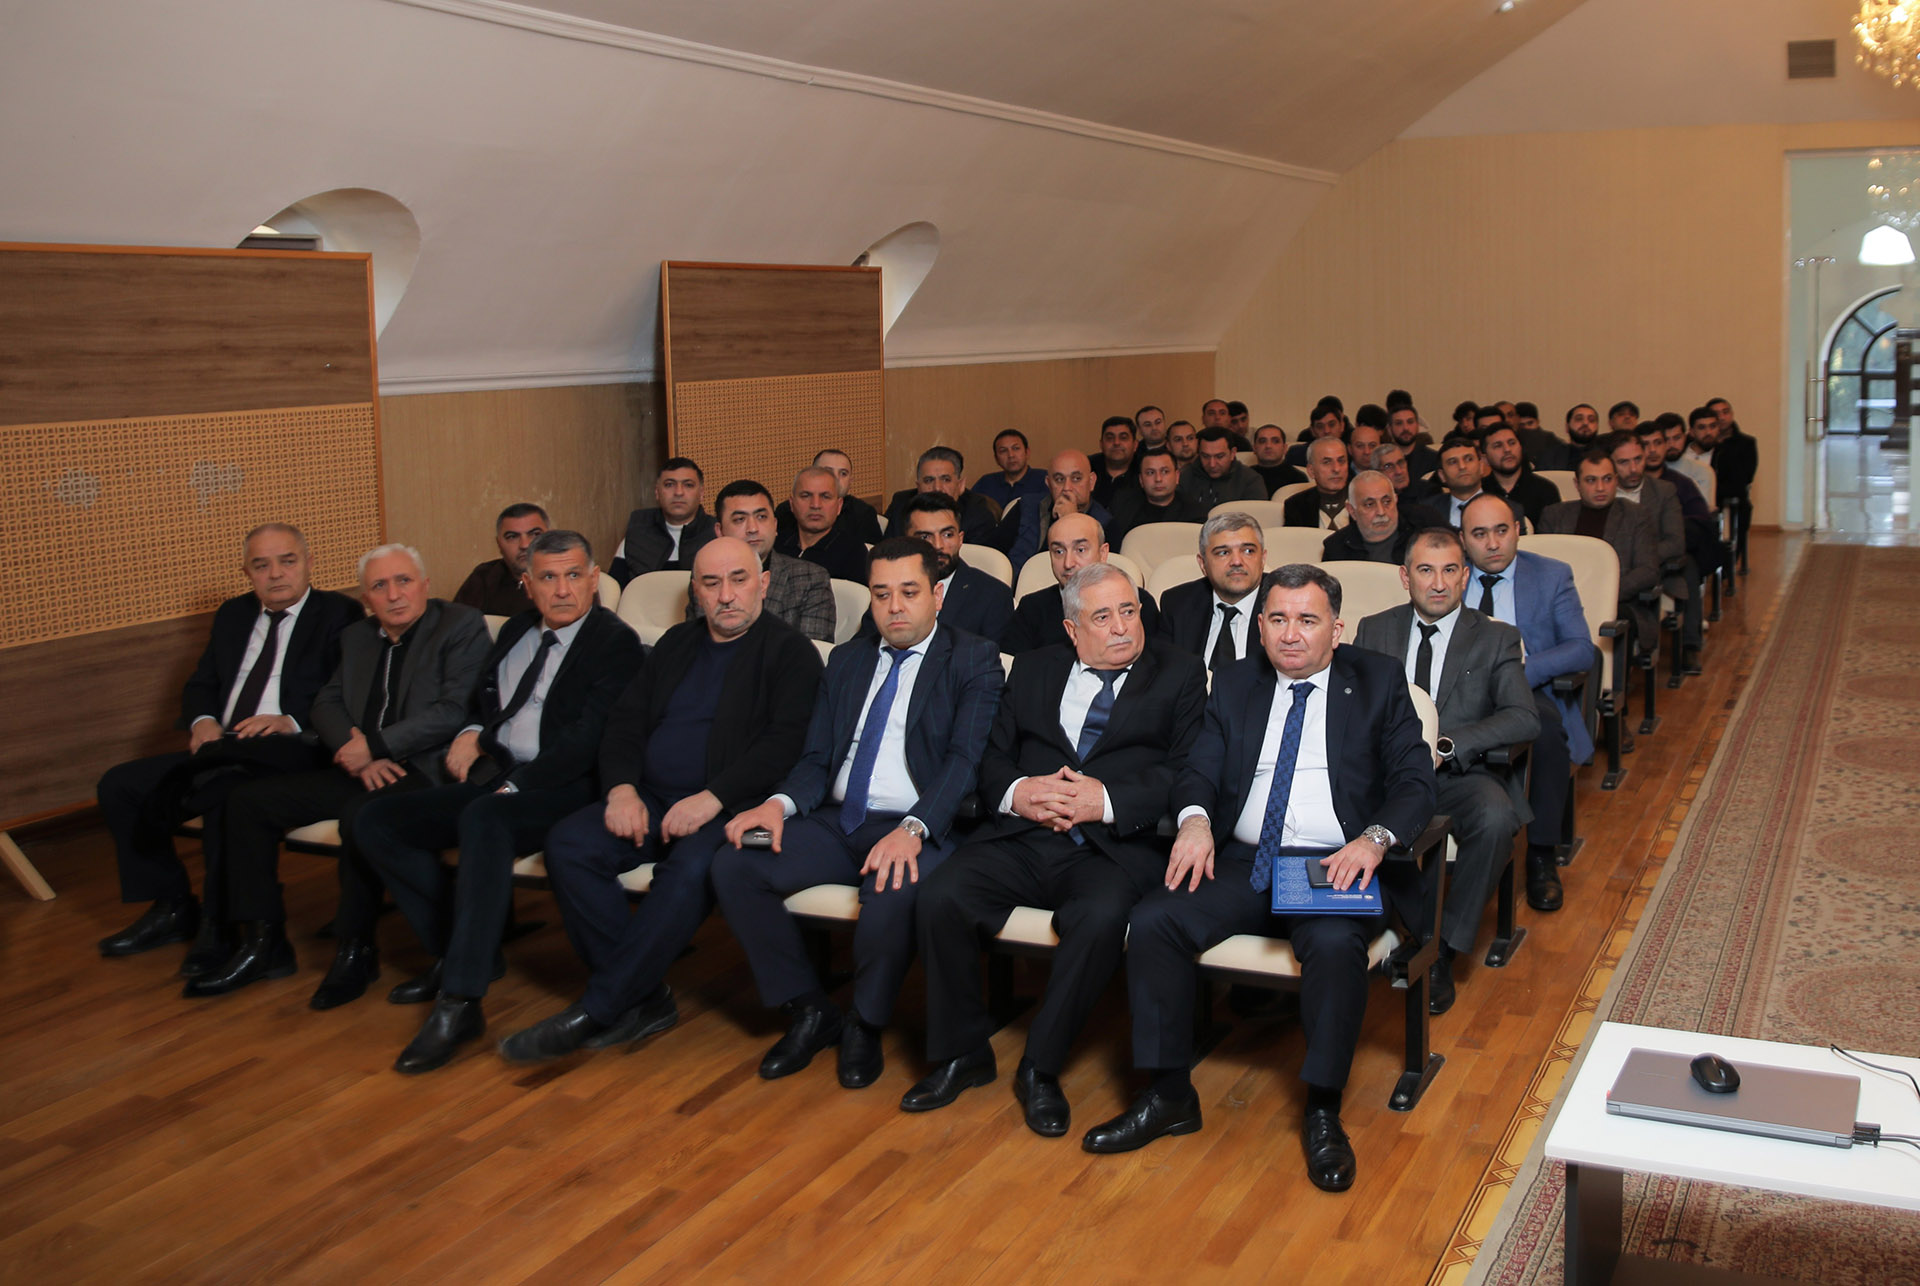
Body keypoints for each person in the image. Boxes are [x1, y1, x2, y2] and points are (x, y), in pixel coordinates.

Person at [1079, 565, 1433, 1186]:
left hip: (1330, 861)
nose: (1290, 634)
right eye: (1277, 619)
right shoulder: (1237, 682)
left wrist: (1374, 840)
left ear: (1337, 629)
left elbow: (1415, 782)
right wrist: (1194, 821)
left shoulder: (1377, 680)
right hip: (1243, 860)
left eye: (1307, 620)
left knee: (1333, 944)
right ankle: (1168, 1095)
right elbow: (1198, 770)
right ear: (1261, 626)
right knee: (1155, 921)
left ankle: (1322, 1108)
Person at [493, 537, 822, 1067]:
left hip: (735, 806)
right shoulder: (675, 644)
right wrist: (622, 788)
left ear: (763, 584)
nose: (726, 595)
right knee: (570, 844)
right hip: (650, 795)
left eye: (739, 580)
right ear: (695, 591)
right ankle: (643, 997)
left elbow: (785, 745)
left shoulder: (791, 653)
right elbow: (625, 722)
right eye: (711, 583)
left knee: (690, 870)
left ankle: (597, 1008)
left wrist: (712, 798)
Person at [905, 563, 1207, 1137]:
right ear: (1072, 629)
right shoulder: (1034, 667)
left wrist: (1107, 800)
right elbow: (992, 755)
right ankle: (963, 1053)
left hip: (1111, 847)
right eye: (1103, 616)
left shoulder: (1181, 671)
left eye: (1129, 611)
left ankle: (1040, 1067)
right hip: (1024, 836)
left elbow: (1188, 768)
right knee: (940, 896)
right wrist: (1020, 792)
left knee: (1099, 919)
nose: (1122, 627)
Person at [713, 538, 1005, 1088]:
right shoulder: (847, 660)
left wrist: (913, 828)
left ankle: (864, 1024)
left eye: (909, 592)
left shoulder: (973, 658)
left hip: (920, 823)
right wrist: (777, 806)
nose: (895, 607)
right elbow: (816, 758)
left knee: (891, 891)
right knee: (736, 864)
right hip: (836, 820)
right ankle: (809, 1009)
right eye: (881, 593)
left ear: (938, 596)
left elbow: (965, 761)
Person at [353, 531, 643, 1074]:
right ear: (527, 584)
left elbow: (586, 742)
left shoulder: (615, 642)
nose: (562, 590)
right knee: (376, 821)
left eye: (574, 575)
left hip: (565, 785)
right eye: (548, 577)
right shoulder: (514, 630)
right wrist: (471, 731)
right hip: (497, 772)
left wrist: (517, 787)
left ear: (594, 579)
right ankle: (460, 951)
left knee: (486, 815)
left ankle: (460, 1000)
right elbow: (485, 701)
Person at [197, 544, 490, 1002]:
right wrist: (361, 752)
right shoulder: (357, 636)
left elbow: (452, 711)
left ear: (425, 585)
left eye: (404, 581)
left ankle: (356, 947)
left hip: (425, 768)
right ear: (365, 598)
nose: (394, 595)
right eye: (379, 586)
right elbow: (326, 703)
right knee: (248, 802)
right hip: (362, 765)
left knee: (360, 815)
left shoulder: (459, 624)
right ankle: (263, 942)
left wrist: (376, 746)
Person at [96, 523, 361, 971]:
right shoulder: (234, 614)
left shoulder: (340, 613)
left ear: (309, 563)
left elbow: (346, 691)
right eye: (261, 565)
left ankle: (219, 925)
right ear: (247, 573)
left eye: (287, 561)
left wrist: (290, 719)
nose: (275, 574)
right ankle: (172, 906)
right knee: (119, 785)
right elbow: (202, 683)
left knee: (227, 792)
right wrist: (201, 721)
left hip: (293, 744)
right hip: (224, 746)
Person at [1352, 528, 1537, 1015]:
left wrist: (1448, 744)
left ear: (1465, 576)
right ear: (1405, 576)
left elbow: (1524, 717)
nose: (1438, 583)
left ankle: (1441, 950)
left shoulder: (1496, 636)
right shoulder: (1374, 629)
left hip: (1457, 774)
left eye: (1450, 570)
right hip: (1386, 773)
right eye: (1425, 570)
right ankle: (1360, 931)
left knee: (1495, 818)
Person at [1457, 495, 1593, 913]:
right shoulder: (1449, 575)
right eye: (1479, 534)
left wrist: (1523, 670)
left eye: (1501, 530)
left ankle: (1541, 855)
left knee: (1546, 730)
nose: (1492, 543)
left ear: (1518, 530)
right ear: (1463, 540)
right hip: (1459, 688)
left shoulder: (1551, 575)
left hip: (1526, 686)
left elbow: (1581, 648)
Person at [1538, 452, 1662, 656]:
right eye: (1591, 480)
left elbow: (1647, 571)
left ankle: (1612, 676)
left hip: (1618, 603)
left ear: (1616, 480)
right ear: (1577, 484)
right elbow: (1542, 569)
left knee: (1615, 620)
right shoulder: (1555, 515)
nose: (1600, 488)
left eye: (1607, 479)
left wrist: (1603, 595)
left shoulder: (1636, 515)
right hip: (1564, 602)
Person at [691, 480, 836, 643]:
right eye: (739, 519)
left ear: (775, 525)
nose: (753, 528)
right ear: (720, 531)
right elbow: (697, 645)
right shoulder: (706, 577)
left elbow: (811, 651)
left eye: (761, 517)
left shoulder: (811, 578)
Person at [1004, 514, 1159, 653]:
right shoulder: (1032, 608)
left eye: (1080, 550)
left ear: (1103, 553)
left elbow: (1155, 664)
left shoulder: (1135, 602)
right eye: (1059, 551)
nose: (1068, 563)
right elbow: (1017, 668)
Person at [1609, 431, 1694, 665]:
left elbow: (1675, 542)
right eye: (1624, 462)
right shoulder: (1603, 493)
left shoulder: (1664, 491)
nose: (1633, 468)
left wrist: (1639, 559)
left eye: (1638, 459)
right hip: (1611, 575)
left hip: (1653, 574)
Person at [890, 493, 1016, 647]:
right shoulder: (890, 589)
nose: (938, 545)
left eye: (947, 535)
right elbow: (867, 648)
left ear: (960, 539)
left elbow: (993, 657)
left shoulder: (992, 595)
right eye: (925, 537)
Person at [1155, 515, 1264, 671]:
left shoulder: (1288, 604)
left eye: (1248, 551)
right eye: (1223, 553)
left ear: (1263, 558)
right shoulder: (1177, 604)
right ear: (1203, 564)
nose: (1237, 561)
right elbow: (1164, 673)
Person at [993, 449, 1112, 567]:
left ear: (1091, 482)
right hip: (1017, 577)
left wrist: (1070, 520)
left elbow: (1098, 573)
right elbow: (992, 554)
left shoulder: (1106, 523)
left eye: (1076, 478)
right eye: (1059, 479)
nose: (1067, 488)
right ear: (1048, 483)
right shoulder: (1025, 507)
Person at [610, 458, 715, 585]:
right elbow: (615, 589)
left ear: (701, 493)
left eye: (688, 485)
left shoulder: (716, 534)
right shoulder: (637, 533)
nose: (678, 492)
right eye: (669, 485)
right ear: (657, 492)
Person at [883, 447, 1001, 546]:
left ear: (960, 485)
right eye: (929, 480)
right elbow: (888, 551)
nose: (937, 488)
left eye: (946, 480)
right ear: (918, 486)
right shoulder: (901, 504)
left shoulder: (978, 512)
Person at [773, 465, 869, 584]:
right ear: (792, 504)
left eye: (825, 497)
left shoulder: (854, 553)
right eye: (806, 496)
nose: (815, 505)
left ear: (839, 506)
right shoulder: (775, 546)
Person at [776, 448, 885, 546]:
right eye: (827, 471)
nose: (836, 478)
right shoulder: (786, 511)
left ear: (850, 481)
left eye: (843, 473)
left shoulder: (863, 513)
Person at [1106, 444, 1208, 548]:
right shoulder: (1123, 508)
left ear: (1177, 476)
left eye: (1165, 472)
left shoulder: (1195, 512)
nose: (1158, 479)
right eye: (1150, 473)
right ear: (1141, 480)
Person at [453, 503, 546, 616]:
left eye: (535, 534)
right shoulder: (485, 577)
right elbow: (458, 623)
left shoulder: (564, 580)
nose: (525, 545)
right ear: (499, 544)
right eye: (512, 537)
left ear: (550, 537)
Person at [1321, 470, 1415, 564]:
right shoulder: (1335, 549)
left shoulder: (1418, 532)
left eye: (1387, 502)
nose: (1381, 512)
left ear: (1395, 500)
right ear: (1352, 511)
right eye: (1370, 504)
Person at [1481, 424, 1560, 526]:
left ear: (1521, 448)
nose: (1507, 449)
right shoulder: (1480, 491)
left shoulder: (1546, 489)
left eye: (1512, 443)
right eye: (1498, 446)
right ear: (1485, 458)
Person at [1178, 427, 1266, 509]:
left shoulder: (1250, 480)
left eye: (1219, 456)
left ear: (1232, 453)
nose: (1212, 464)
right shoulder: (1184, 477)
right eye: (1205, 456)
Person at [1372, 443, 1446, 530]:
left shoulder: (1430, 491)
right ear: (1377, 473)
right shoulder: (1373, 503)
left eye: (1400, 463)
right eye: (1388, 466)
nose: (1399, 471)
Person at [1281, 438, 1351, 530]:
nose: (1336, 469)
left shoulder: (1364, 500)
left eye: (1341, 461)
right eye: (1327, 462)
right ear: (1311, 471)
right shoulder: (1296, 505)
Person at [973, 429, 1050, 511]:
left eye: (1016, 448)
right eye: (1003, 451)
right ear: (996, 459)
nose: (1011, 455)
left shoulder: (1045, 480)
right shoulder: (985, 483)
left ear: (1027, 452)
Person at [1091, 416, 1140, 509]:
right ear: (1101, 444)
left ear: (1135, 445)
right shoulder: (1087, 468)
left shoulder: (1145, 471)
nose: (1116, 443)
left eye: (1123, 438)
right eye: (1110, 438)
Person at [1249, 423, 1307, 495]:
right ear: (1254, 448)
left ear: (1285, 448)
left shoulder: (1298, 478)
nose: (1268, 446)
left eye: (1275, 441)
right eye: (1262, 441)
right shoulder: (1243, 476)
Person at [1513, 401, 1569, 472]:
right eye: (1522, 425)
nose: (1526, 428)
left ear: (1538, 422)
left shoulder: (1550, 439)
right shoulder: (1514, 441)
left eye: (1530, 423)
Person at [1285, 402, 1346, 468]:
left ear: (1342, 426)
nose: (1326, 431)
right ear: (1312, 431)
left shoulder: (1351, 452)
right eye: (1320, 427)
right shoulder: (1297, 454)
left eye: (1331, 425)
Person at [1388, 405, 1440, 480]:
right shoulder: (1383, 460)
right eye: (1399, 423)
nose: (1405, 428)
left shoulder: (1434, 459)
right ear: (1389, 429)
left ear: (1417, 426)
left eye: (1410, 422)